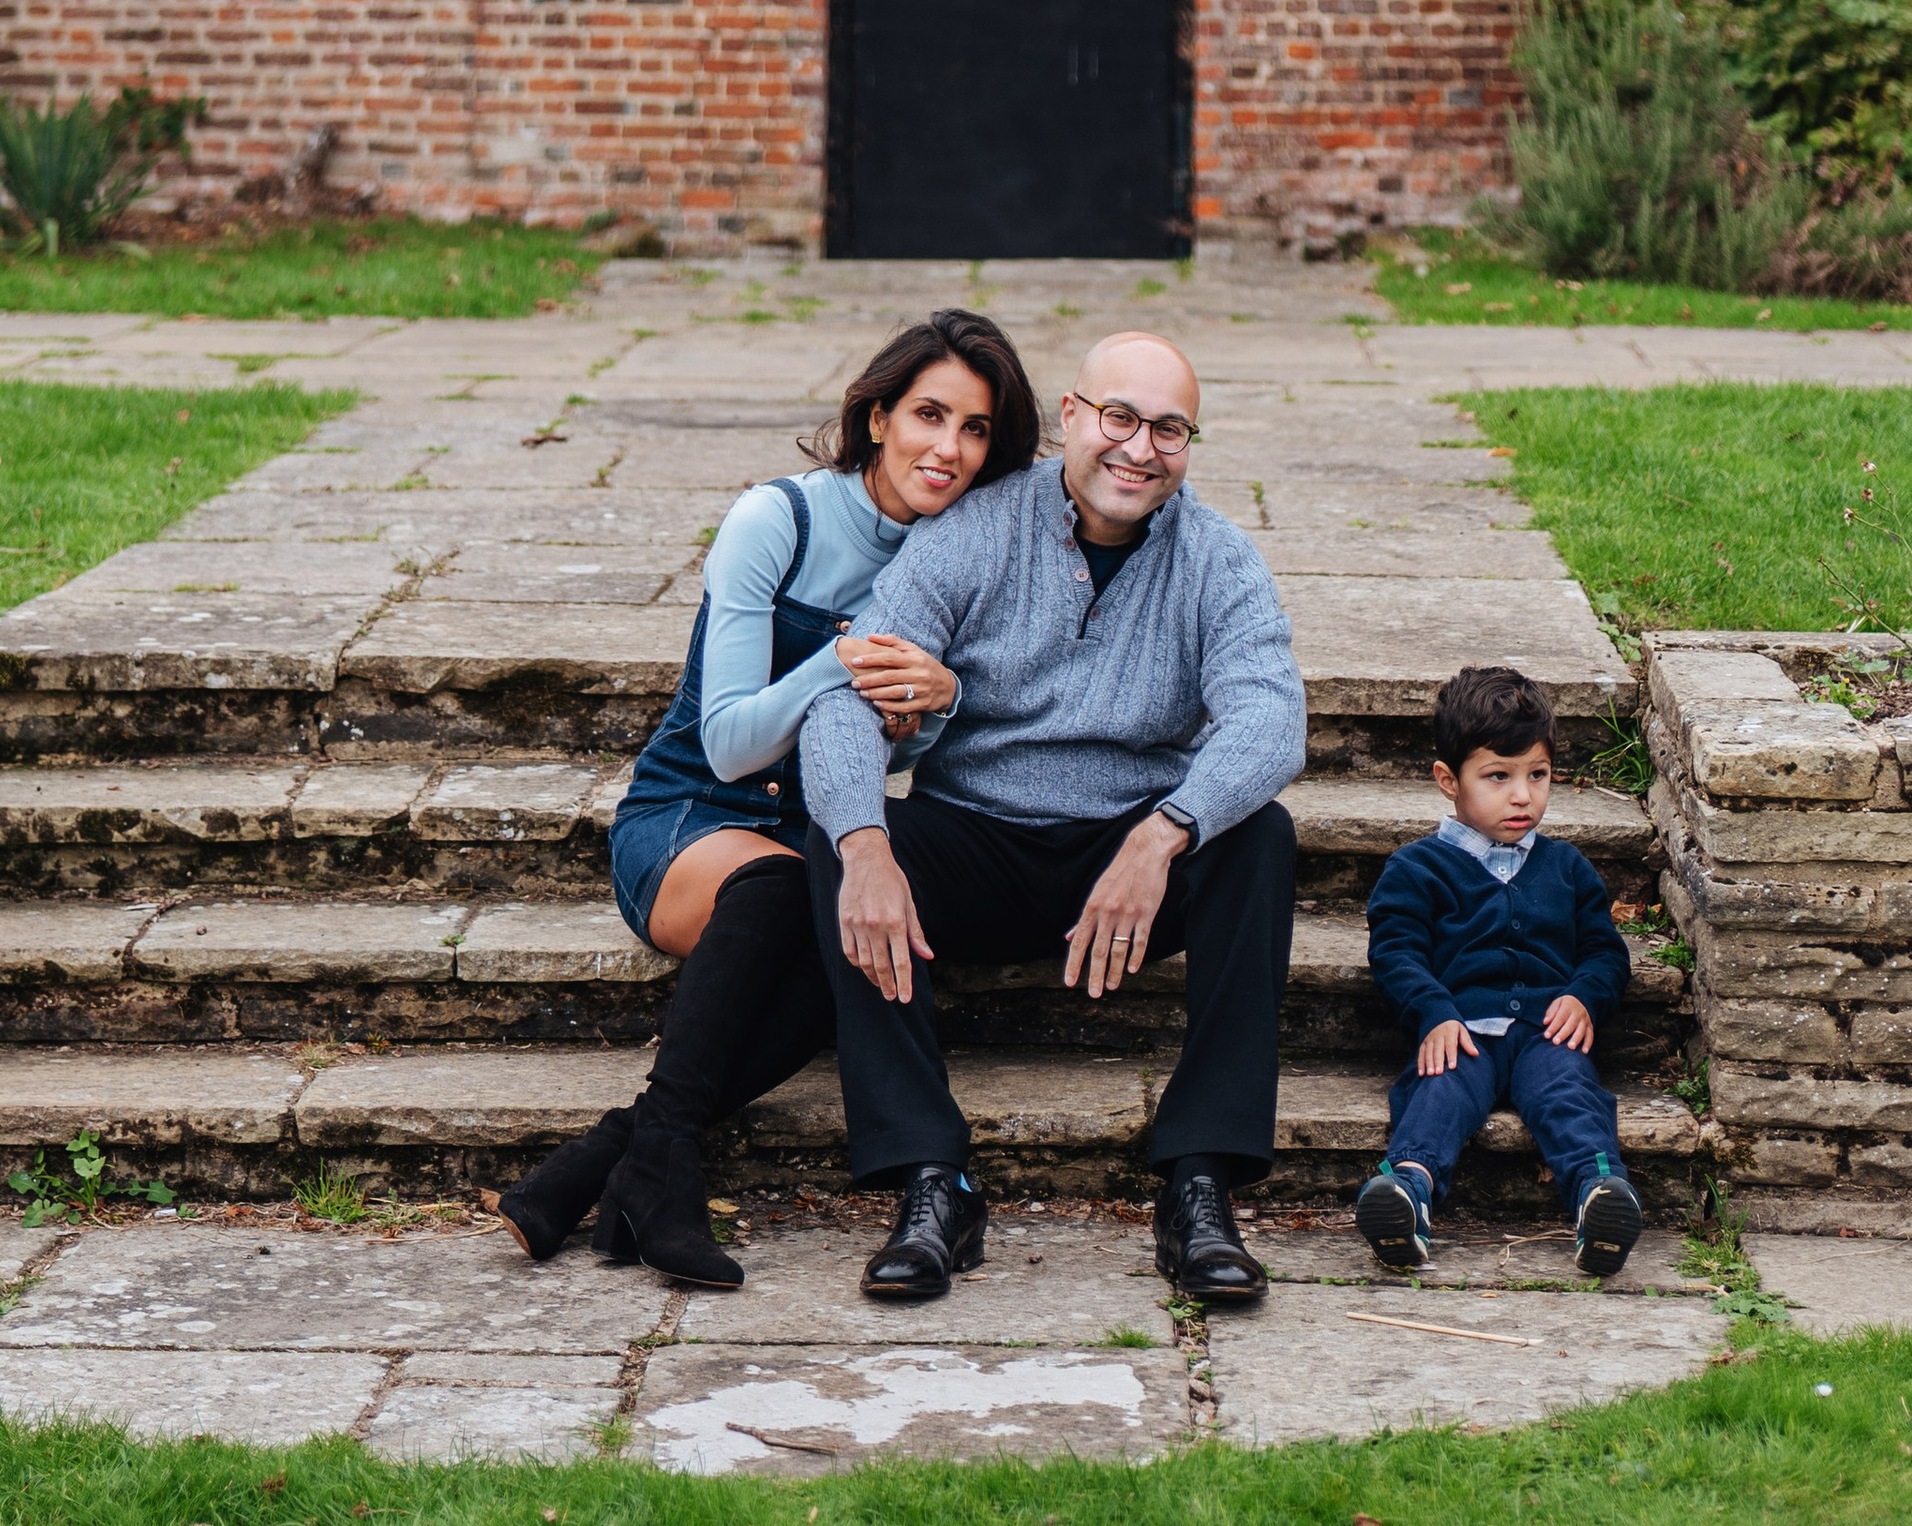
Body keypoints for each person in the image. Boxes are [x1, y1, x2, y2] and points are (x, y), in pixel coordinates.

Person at [499, 310, 1040, 1286]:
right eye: (929, 415)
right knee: (794, 901)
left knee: (851, 949)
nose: (948, 449)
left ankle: (611, 1163)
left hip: (816, 833)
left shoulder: (957, 556)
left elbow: (922, 769)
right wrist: (837, 662)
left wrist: (946, 698)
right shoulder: (777, 520)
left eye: (976, 430)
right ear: (877, 416)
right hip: (693, 817)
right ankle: (648, 1167)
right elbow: (732, 741)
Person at [800, 329, 1304, 1309]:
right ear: (1071, 417)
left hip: (1128, 863)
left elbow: (1272, 717)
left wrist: (1166, 832)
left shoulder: (1217, 558)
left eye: (1169, 428)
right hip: (976, 847)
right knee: (840, 832)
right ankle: (931, 1183)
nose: (1139, 448)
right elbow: (842, 699)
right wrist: (864, 846)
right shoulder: (975, 531)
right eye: (1120, 417)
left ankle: (1199, 1184)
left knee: (1260, 835)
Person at [1354, 663, 1644, 1279]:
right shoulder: (1416, 869)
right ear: (1447, 780)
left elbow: (1604, 950)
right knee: (1439, 1090)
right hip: (1462, 1028)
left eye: (1537, 775)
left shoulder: (1566, 867)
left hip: (1548, 1031)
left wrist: (1586, 997)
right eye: (1498, 776)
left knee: (1570, 1094)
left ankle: (1600, 1198)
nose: (1523, 795)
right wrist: (1433, 1013)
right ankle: (1408, 1189)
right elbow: (1396, 952)